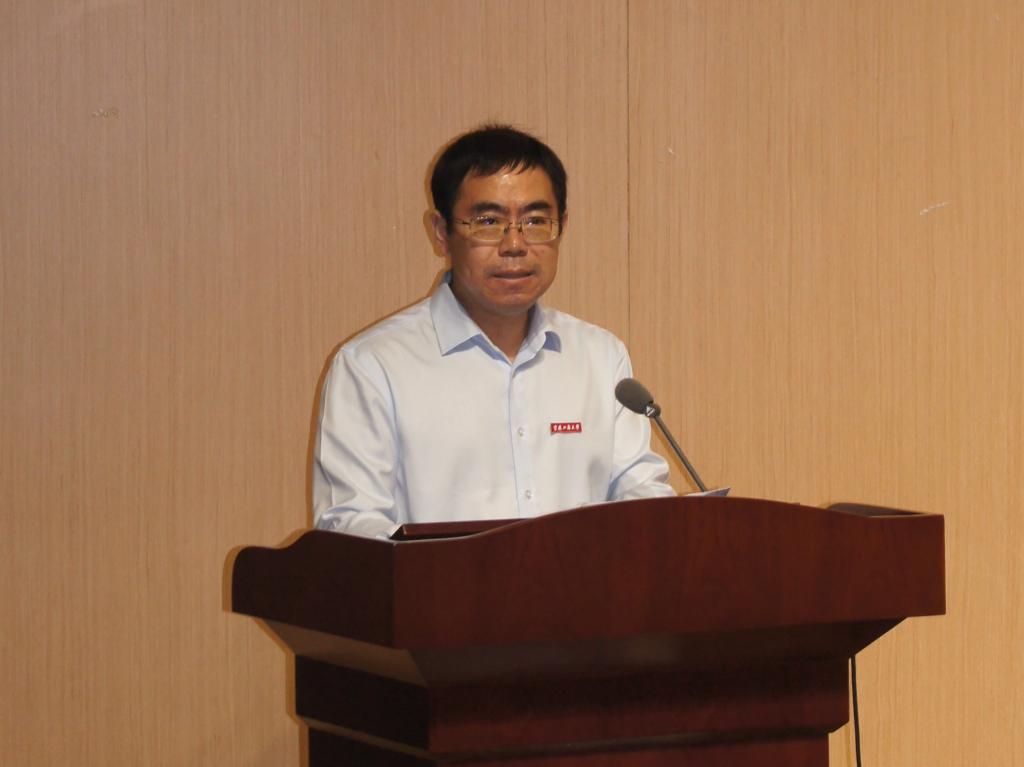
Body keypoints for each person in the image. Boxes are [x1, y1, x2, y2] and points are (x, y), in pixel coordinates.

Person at [312, 125, 674, 538]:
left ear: (562, 226)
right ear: (442, 233)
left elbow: (641, 497)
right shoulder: (373, 366)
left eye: (535, 221)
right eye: (488, 221)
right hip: (438, 584)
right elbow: (350, 527)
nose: (514, 244)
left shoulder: (601, 357)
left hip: (581, 584)